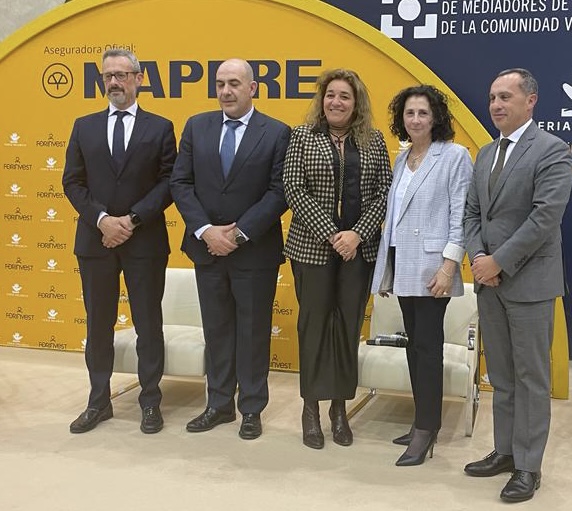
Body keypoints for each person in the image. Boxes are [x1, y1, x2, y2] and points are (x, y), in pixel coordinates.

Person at [463, 68, 572, 502]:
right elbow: (473, 214)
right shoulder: (486, 153)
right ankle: (505, 451)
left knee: (530, 378)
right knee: (503, 376)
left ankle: (528, 466)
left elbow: (544, 218)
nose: (496, 104)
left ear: (531, 100)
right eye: (493, 97)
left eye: (505, 96)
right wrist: (478, 258)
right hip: (488, 282)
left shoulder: (552, 149)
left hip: (529, 283)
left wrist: (499, 262)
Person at [170, 58, 290, 440]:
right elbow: (180, 183)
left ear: (252, 88)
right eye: (220, 83)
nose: (226, 91)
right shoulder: (196, 126)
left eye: (234, 83)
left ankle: (251, 408)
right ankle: (219, 405)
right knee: (217, 330)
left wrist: (237, 235)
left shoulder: (277, 132)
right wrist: (207, 231)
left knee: (253, 333)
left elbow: (279, 192)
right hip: (206, 249)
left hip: (254, 253)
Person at [62, 49, 177, 434]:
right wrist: (102, 220)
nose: (114, 82)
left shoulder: (160, 128)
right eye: (108, 75)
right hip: (95, 243)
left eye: (122, 75)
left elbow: (169, 182)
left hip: (145, 242)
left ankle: (150, 401)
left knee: (148, 323)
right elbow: (72, 182)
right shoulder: (84, 127)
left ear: (139, 79)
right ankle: (98, 401)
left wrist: (131, 219)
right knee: (98, 324)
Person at [283, 68, 392, 450]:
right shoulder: (301, 136)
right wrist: (333, 234)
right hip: (311, 249)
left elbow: (385, 192)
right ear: (322, 99)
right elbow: (293, 188)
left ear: (356, 102)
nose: (336, 102)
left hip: (358, 252)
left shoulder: (374, 140)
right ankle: (310, 409)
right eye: (330, 94)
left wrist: (356, 234)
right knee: (313, 327)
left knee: (347, 328)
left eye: (344, 95)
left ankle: (339, 408)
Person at [371, 85, 472, 466]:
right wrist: (388, 271)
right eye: (410, 113)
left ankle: (427, 430)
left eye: (423, 113)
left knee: (428, 348)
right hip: (403, 264)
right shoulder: (402, 159)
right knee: (414, 346)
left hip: (433, 268)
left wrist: (449, 266)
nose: (415, 120)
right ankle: (420, 422)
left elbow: (461, 215)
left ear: (436, 118)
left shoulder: (454, 156)